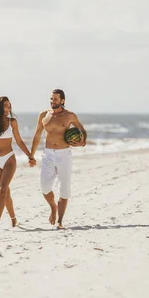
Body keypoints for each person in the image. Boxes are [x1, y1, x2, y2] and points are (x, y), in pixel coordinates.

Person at [29, 89, 87, 229]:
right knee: (44, 186)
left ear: (62, 101)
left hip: (64, 154)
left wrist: (82, 143)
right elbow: (37, 135)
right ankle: (53, 207)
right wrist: (32, 155)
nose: (52, 101)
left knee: (64, 188)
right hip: (48, 154)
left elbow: (82, 130)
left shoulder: (70, 116)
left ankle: (60, 221)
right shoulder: (44, 115)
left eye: (55, 99)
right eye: (51, 99)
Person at [0, 96, 35, 232]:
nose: (8, 109)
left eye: (9, 106)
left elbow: (19, 141)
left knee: (2, 190)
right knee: (5, 192)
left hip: (9, 160)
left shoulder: (13, 122)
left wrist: (30, 155)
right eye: (5, 106)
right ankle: (13, 219)